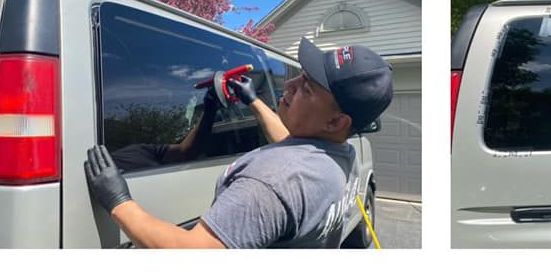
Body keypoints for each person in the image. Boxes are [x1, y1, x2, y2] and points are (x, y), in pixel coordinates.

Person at [84, 38, 393, 248]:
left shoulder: (274, 181)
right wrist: (253, 100)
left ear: (336, 122)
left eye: (306, 88)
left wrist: (119, 202)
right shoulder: (338, 155)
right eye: (300, 76)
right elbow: (291, 145)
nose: (289, 84)